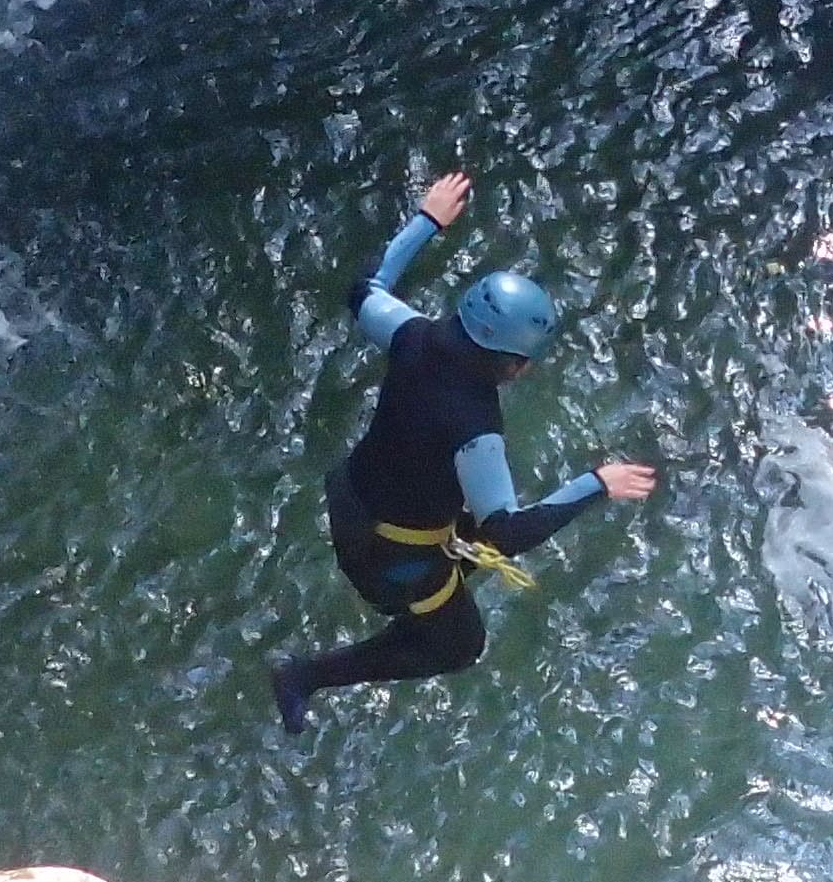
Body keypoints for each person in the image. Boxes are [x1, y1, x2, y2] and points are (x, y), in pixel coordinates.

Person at [272, 170, 657, 733]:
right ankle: (302, 675)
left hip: (353, 495)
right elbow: (508, 532)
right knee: (458, 644)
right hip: (389, 554)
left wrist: (427, 221)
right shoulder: (476, 428)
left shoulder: (411, 334)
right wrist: (596, 483)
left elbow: (364, 290)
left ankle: (427, 601)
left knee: (460, 544)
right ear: (511, 363)